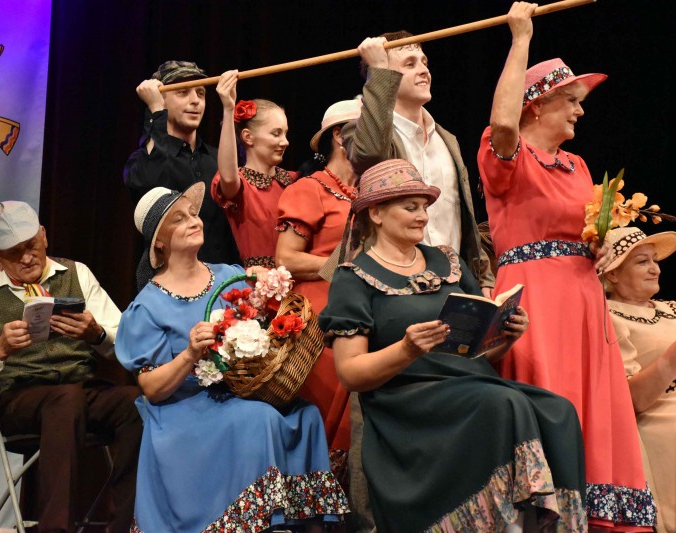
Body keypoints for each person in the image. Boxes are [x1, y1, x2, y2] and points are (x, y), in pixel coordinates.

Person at [319, 158, 587, 532]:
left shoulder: (447, 262)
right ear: (376, 213)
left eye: (424, 207)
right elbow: (350, 373)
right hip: (410, 401)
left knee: (559, 411)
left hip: (472, 385)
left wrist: (505, 335)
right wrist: (406, 349)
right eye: (410, 207)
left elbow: (478, 350)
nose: (422, 216)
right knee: (502, 403)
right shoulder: (355, 278)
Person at [476, 2, 655, 529]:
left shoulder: (577, 165)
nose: (580, 111)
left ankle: (596, 513)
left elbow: (584, 229)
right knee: (547, 395)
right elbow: (502, 120)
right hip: (535, 296)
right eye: (571, 101)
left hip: (582, 298)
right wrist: (521, 37)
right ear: (537, 106)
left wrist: (599, 246)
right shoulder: (507, 155)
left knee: (591, 403)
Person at [116, 183, 348, 532]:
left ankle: (305, 523)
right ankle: (258, 523)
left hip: (236, 393)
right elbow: (151, 388)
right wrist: (190, 354)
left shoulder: (228, 276)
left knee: (306, 414)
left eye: (193, 213)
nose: (193, 221)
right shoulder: (147, 306)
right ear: (159, 242)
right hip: (184, 409)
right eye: (179, 219)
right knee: (258, 418)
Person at [0, 200, 141, 533]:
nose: (26, 258)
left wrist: (95, 334)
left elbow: (130, 344)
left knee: (138, 403)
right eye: (13, 253)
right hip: (21, 399)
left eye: (31, 245)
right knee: (65, 401)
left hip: (80, 389)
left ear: (44, 235)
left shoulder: (77, 274)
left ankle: (125, 527)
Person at [344, 29, 494, 294]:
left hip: (451, 281)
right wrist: (378, 72)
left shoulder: (447, 139)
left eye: (424, 62)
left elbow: (462, 215)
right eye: (409, 64)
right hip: (392, 283)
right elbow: (370, 156)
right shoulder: (358, 130)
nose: (424, 70)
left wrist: (483, 279)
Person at [275, 97, 361, 488]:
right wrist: (345, 265)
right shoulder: (310, 189)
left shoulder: (367, 192)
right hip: (321, 317)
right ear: (340, 136)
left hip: (362, 307)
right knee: (328, 416)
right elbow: (286, 258)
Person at [123, 60, 239, 289]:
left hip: (222, 287)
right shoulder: (142, 161)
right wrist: (157, 112)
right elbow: (150, 181)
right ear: (161, 100)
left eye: (201, 93)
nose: (195, 101)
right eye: (183, 92)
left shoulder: (218, 159)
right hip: (169, 289)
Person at [603, 226, 676, 532]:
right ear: (613, 274)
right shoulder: (609, 316)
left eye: (655, 260)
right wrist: (671, 360)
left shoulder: (672, 309)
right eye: (642, 261)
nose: (655, 269)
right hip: (660, 415)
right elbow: (631, 400)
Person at [212, 69, 298, 268]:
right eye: (276, 134)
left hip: (300, 280)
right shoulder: (242, 186)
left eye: (285, 133)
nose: (285, 142)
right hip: (257, 282)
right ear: (248, 137)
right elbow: (228, 177)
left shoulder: (295, 181)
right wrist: (228, 109)